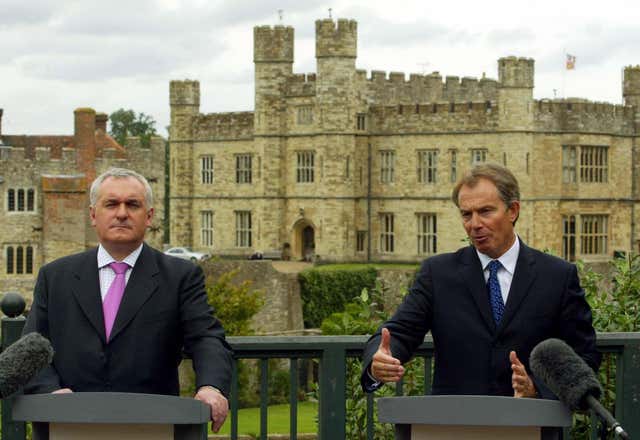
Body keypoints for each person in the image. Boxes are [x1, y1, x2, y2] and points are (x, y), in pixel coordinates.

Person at [361, 163, 601, 399]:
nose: (474, 224)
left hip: (531, 426)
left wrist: (536, 389)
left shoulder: (557, 276)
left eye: (485, 211)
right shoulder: (437, 273)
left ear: (513, 211)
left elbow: (584, 356)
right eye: (467, 214)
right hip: (457, 425)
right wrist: (378, 361)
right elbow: (399, 333)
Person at [24, 167, 232, 433]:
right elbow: (32, 346)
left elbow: (206, 337)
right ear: (92, 214)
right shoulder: (55, 276)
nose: (121, 213)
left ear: (149, 216)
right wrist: (49, 391)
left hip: (152, 425)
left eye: (132, 204)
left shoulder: (180, 276)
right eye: (111, 204)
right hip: (68, 423)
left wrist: (211, 387)